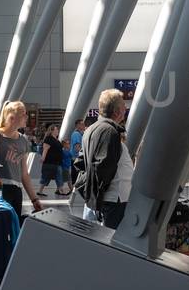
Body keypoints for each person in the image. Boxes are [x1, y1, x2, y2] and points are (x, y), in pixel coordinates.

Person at [0, 100, 44, 217]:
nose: (26, 117)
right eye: (23, 114)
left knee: (14, 228)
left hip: (16, 191)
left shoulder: (23, 140)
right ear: (12, 117)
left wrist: (34, 199)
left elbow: (24, 174)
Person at [76, 90, 131, 228]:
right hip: (114, 199)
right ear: (117, 111)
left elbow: (81, 163)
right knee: (113, 243)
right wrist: (99, 195)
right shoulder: (109, 131)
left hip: (108, 199)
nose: (126, 110)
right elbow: (103, 166)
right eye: (124, 107)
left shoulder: (91, 129)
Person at [37, 125, 67, 196]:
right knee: (46, 177)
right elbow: (45, 149)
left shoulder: (56, 140)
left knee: (59, 176)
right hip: (50, 162)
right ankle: (40, 191)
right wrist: (43, 158)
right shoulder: (49, 139)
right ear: (52, 131)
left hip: (57, 162)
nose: (57, 131)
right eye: (56, 130)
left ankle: (60, 190)